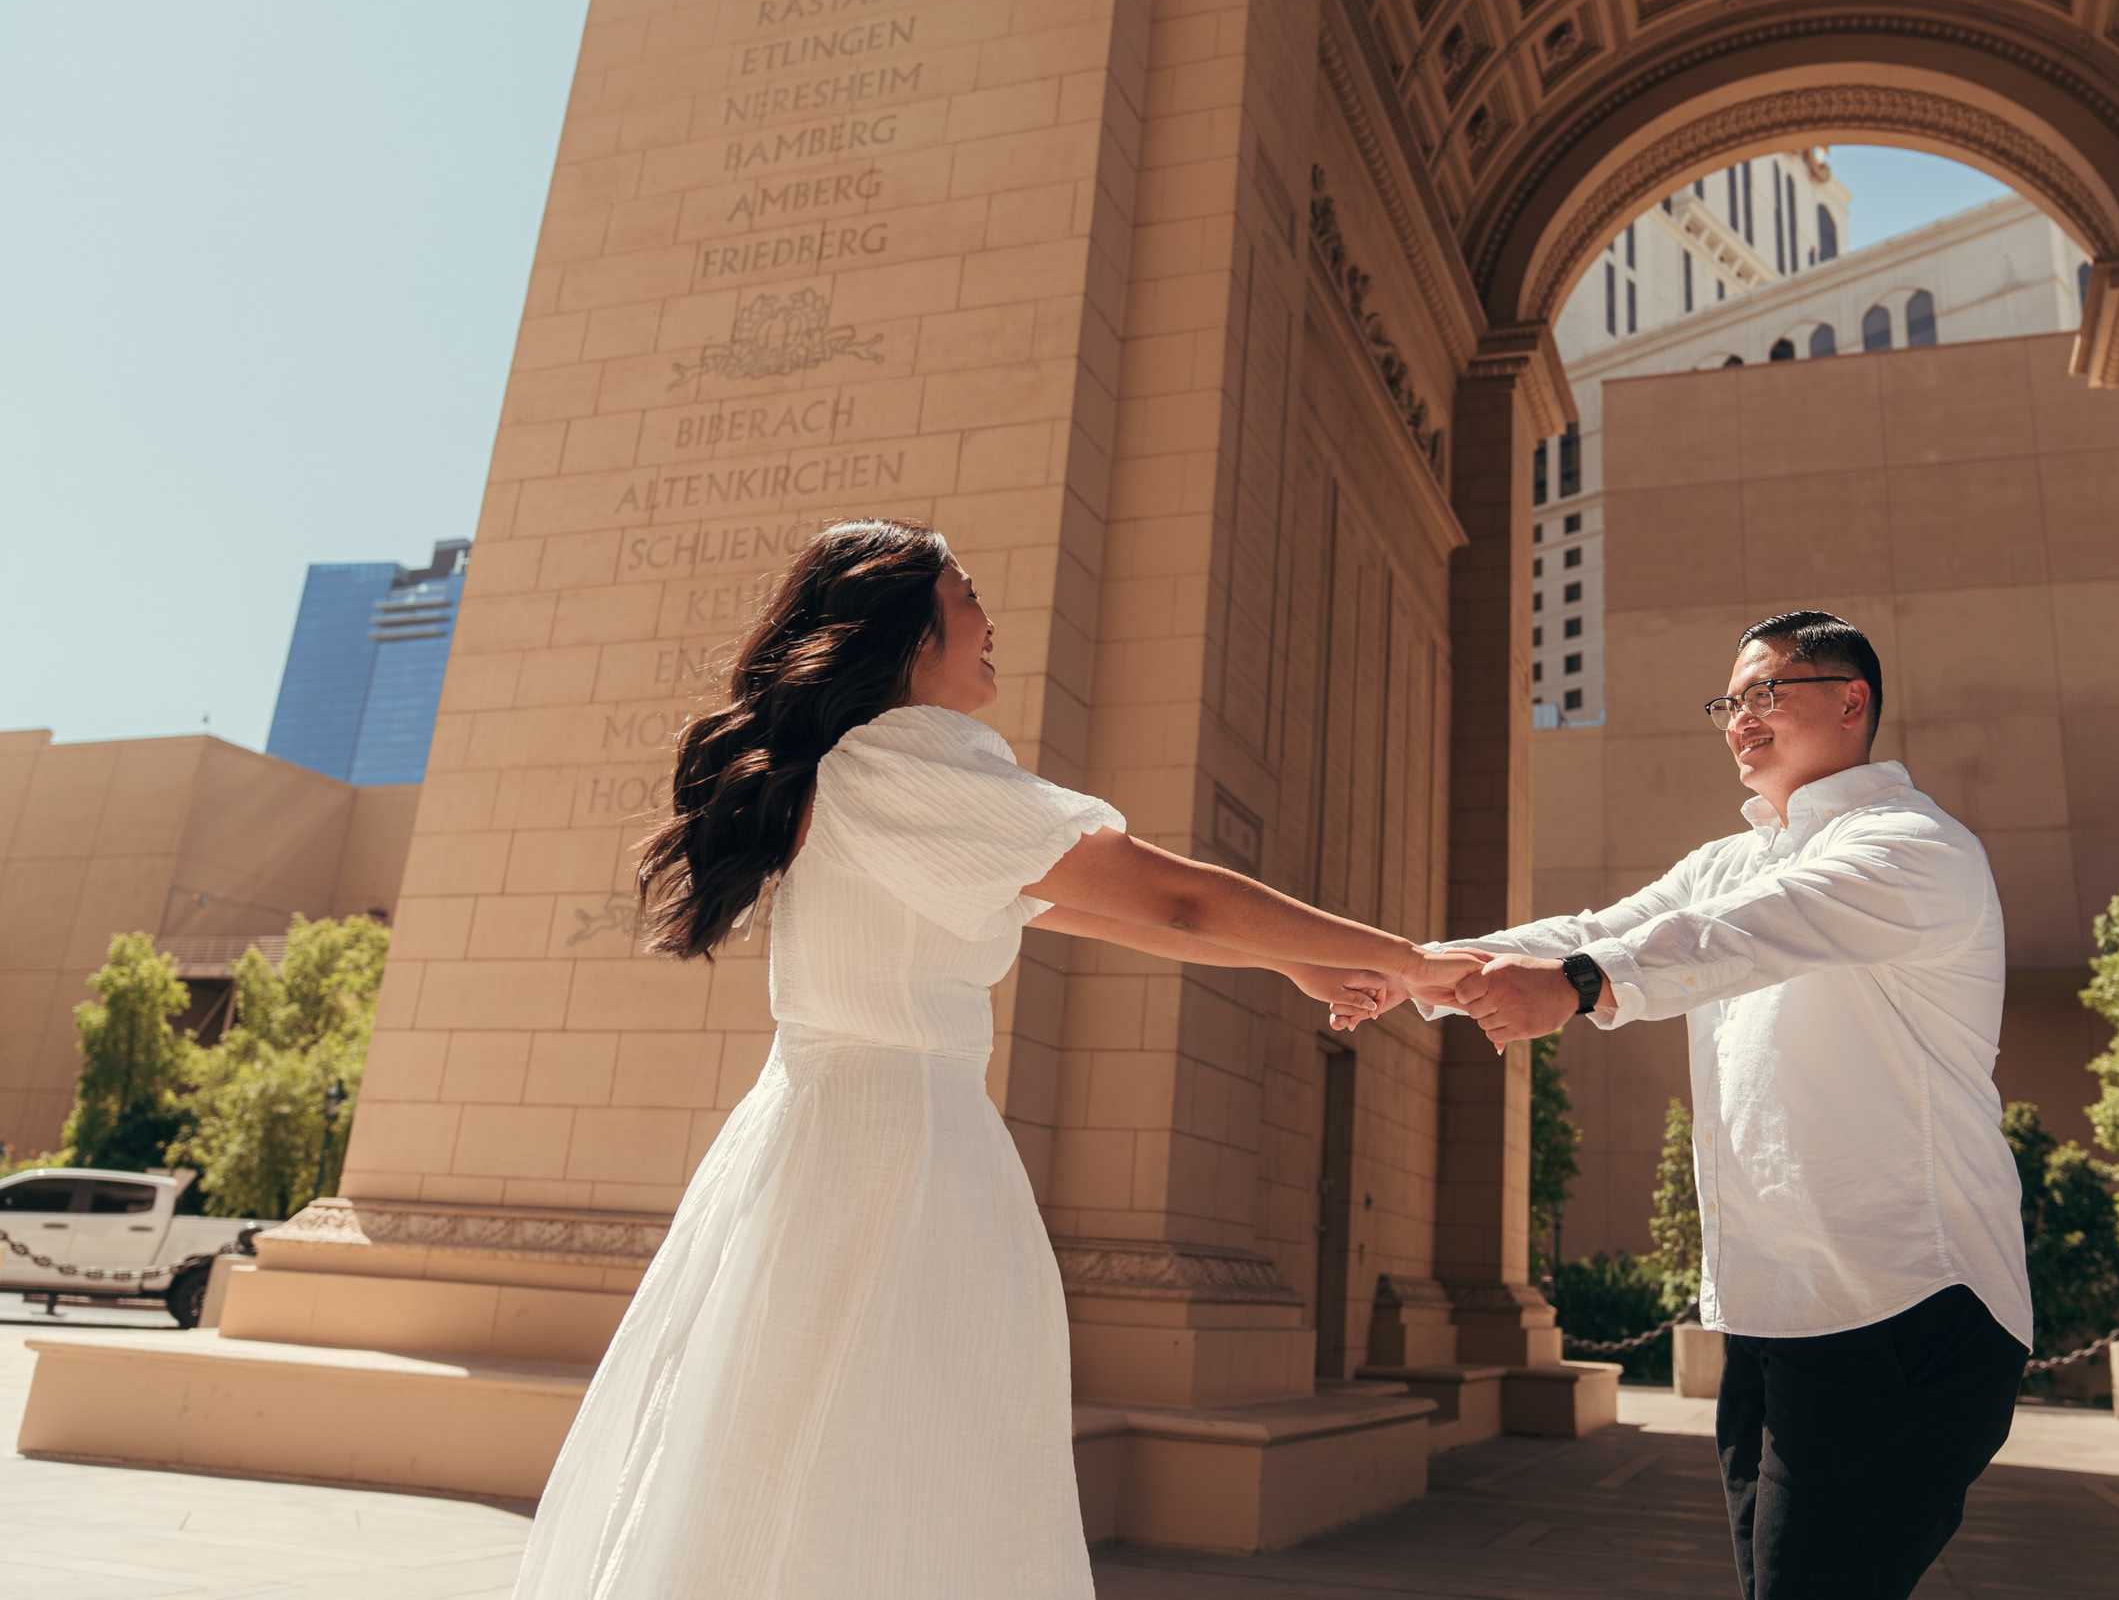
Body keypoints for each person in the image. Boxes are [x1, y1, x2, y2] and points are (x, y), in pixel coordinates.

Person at [511, 519, 1473, 1599]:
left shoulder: (869, 775)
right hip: (893, 1153)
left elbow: (1093, 910)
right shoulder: (900, 762)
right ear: (908, 631)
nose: (990, 618)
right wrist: (1410, 961)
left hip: (840, 1139)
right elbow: (1173, 892)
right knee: (906, 1453)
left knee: (811, 1447)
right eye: (967, 592)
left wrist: (1286, 965)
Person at [1343, 610, 2032, 1600]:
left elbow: (1746, 934)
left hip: (1905, 1305)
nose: (1739, 718)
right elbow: (1597, 926)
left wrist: (1578, 983)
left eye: (1767, 693)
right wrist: (1408, 969)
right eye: (1729, 701)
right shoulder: (1728, 861)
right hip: (1777, 1313)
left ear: (1852, 702)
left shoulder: (1914, 846)